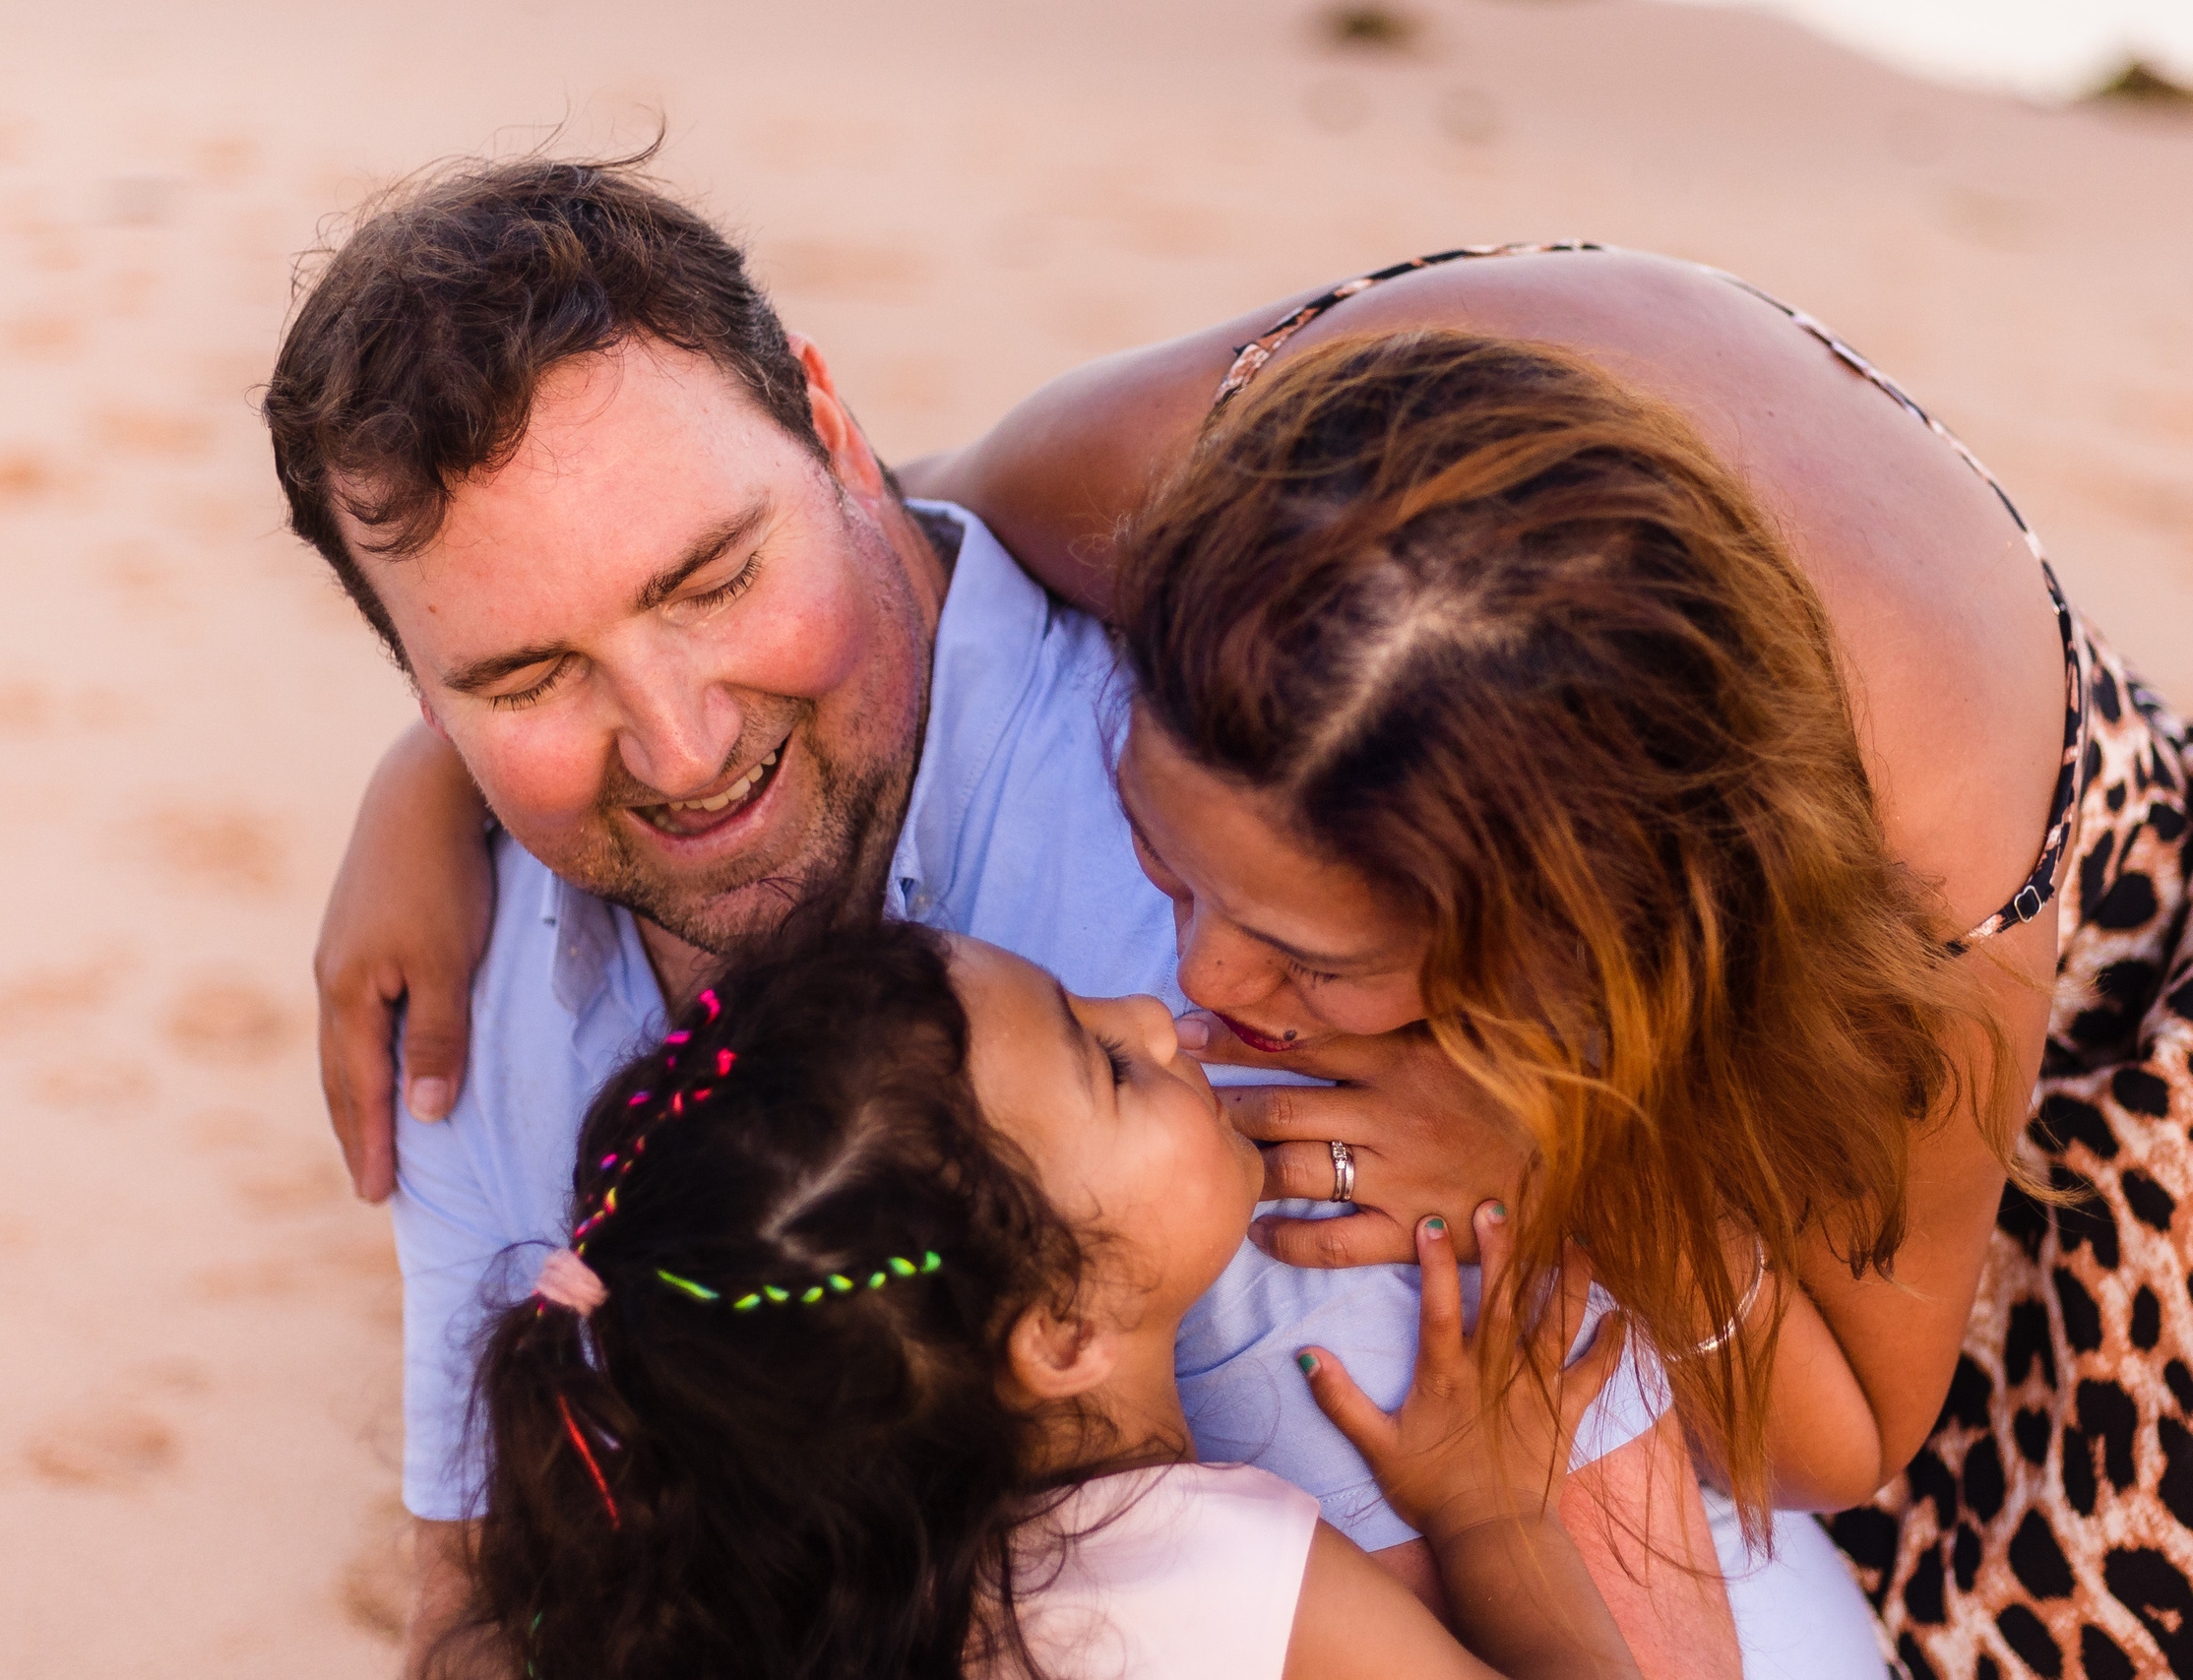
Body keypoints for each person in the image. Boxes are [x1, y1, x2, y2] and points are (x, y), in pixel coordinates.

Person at [317, 217, 2193, 1676]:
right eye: (1164, 860)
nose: (1198, 994)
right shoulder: (1122, 496)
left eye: (1290, 943)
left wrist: (1568, 1148)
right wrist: (453, 765)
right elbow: (761, 527)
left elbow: (1853, 1419)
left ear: (1535, 958)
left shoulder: (1922, 842)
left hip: (2059, 965)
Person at [436, 917, 1638, 1680]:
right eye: (1106, 1066)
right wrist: (1493, 1514)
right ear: (1059, 1332)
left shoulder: (812, 1616)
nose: (1157, 1022)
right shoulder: (1208, 1584)